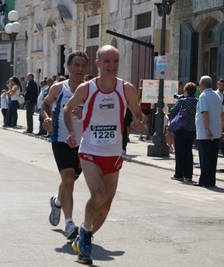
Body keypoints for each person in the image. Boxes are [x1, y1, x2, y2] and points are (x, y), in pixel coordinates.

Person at [63, 45, 144, 264]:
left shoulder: (127, 89)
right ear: (98, 64)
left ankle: (82, 237)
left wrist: (138, 122)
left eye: (115, 61)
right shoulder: (87, 89)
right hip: (89, 150)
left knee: (106, 205)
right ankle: (86, 237)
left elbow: (138, 114)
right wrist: (72, 131)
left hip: (114, 153)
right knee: (98, 195)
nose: (112, 65)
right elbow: (67, 108)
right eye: (107, 61)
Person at [41, 51, 89, 242]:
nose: (80, 69)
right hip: (60, 137)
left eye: (83, 66)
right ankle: (69, 223)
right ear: (68, 68)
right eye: (76, 65)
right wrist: (46, 118)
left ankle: (57, 201)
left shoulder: (91, 90)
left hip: (84, 142)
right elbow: (45, 105)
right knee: (68, 178)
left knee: (70, 181)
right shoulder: (58, 88)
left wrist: (84, 114)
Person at [194, 76, 224, 187]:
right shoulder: (217, 96)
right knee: (212, 157)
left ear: (202, 84)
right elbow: (222, 114)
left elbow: (205, 113)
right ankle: (211, 180)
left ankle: (204, 181)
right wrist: (221, 130)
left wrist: (206, 129)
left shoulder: (203, 96)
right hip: (216, 131)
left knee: (205, 157)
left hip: (205, 131)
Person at [169, 82, 198, 182]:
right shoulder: (197, 101)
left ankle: (179, 174)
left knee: (180, 153)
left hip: (181, 129)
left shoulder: (182, 101)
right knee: (188, 152)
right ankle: (188, 175)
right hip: (192, 130)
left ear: (186, 91)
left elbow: (172, 112)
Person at [215, 78, 224, 155]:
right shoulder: (215, 94)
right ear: (217, 85)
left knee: (223, 132)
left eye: (223, 85)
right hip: (217, 116)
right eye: (220, 85)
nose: (222, 86)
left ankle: (223, 149)